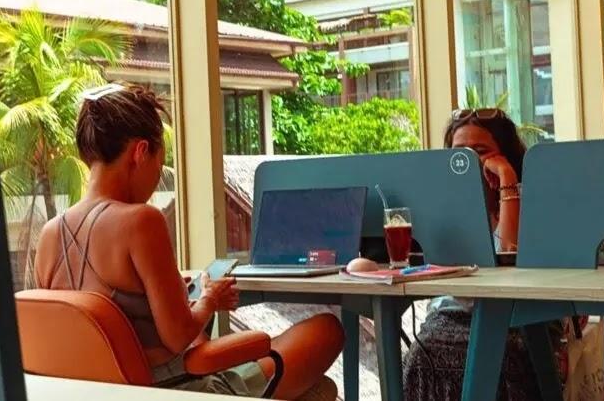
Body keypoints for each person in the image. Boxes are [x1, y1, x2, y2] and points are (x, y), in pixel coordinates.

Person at [34, 83, 344, 399]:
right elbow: (178, 335)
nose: (157, 178)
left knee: (320, 391)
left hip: (94, 393)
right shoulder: (141, 220)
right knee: (326, 331)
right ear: (141, 152)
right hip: (178, 390)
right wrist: (209, 298)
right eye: (159, 163)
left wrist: (177, 295)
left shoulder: (49, 234)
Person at [403, 108, 548, 401]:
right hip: (450, 313)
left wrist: (506, 180)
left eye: (480, 151)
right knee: (422, 352)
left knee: (504, 357)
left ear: (505, 154)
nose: (469, 161)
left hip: (516, 319)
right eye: (460, 152)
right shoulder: (443, 207)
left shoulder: (532, 200)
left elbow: (510, 260)